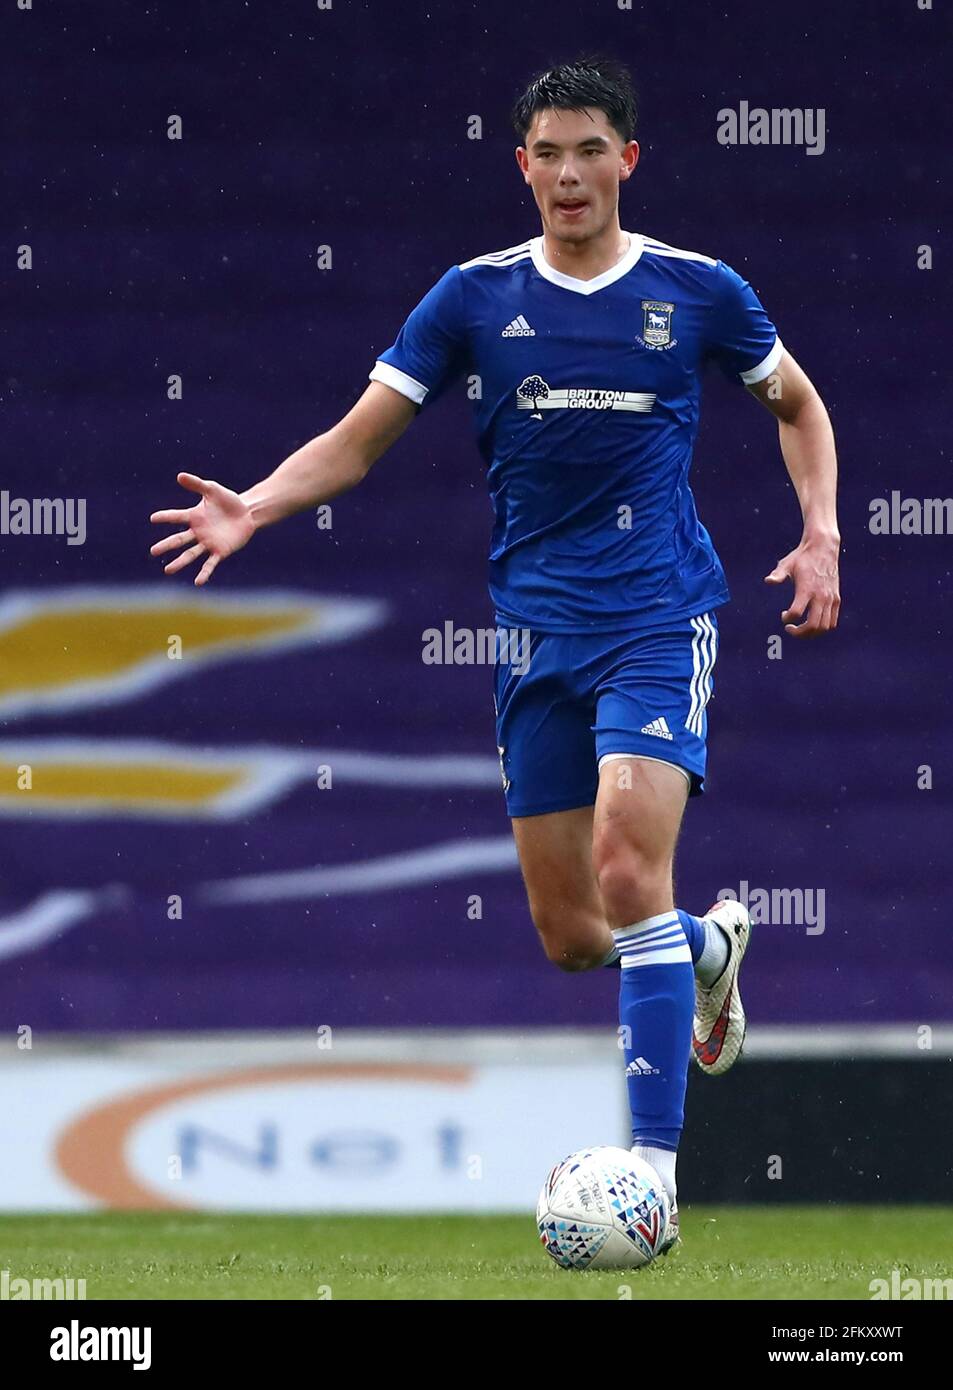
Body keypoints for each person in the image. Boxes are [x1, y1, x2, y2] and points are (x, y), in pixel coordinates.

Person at [150, 55, 840, 1255]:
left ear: (627, 161)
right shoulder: (470, 299)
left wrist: (819, 534)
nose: (568, 174)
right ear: (518, 164)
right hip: (534, 636)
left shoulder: (697, 291)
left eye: (590, 151)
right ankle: (709, 949)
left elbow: (797, 406)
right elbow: (360, 440)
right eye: (546, 153)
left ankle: (651, 1174)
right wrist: (255, 505)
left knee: (632, 873)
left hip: (654, 616)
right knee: (573, 935)